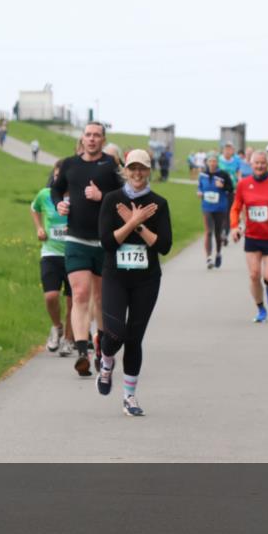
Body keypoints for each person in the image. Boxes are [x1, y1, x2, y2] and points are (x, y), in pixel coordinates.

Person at [96, 149, 172, 417]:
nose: (137, 173)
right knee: (114, 333)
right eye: (132, 168)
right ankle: (106, 364)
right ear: (125, 171)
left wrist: (138, 224)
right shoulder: (111, 200)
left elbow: (163, 246)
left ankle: (129, 396)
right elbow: (107, 242)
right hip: (116, 276)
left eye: (142, 168)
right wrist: (132, 222)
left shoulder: (159, 204)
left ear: (149, 170)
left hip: (146, 280)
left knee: (134, 338)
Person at [50, 121, 124, 376]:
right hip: (76, 240)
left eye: (97, 136)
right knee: (80, 294)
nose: (92, 139)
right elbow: (56, 190)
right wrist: (59, 204)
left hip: (104, 242)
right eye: (88, 135)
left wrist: (102, 196)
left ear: (103, 140)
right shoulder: (70, 165)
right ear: (82, 138)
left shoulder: (110, 166)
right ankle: (82, 352)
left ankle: (101, 349)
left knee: (101, 299)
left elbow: (123, 197)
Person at [229, 150, 268, 322]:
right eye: (256, 163)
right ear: (250, 164)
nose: (259, 166)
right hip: (252, 236)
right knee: (253, 275)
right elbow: (236, 207)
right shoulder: (244, 184)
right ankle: (260, 309)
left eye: (262, 163)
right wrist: (235, 227)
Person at [31, 165, 75, 356]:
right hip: (50, 253)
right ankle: (57, 327)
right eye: (57, 176)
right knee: (51, 296)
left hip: (74, 255)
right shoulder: (45, 195)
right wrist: (39, 228)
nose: (59, 179)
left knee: (73, 303)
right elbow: (33, 208)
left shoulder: (77, 197)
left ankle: (68, 339)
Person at [198, 153, 233, 269]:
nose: (212, 163)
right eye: (210, 161)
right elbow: (200, 187)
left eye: (214, 161)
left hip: (220, 207)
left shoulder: (223, 174)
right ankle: (208, 258)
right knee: (208, 232)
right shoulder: (202, 174)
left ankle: (218, 253)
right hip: (207, 207)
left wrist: (222, 186)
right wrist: (199, 192)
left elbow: (231, 188)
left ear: (217, 162)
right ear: (207, 162)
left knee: (218, 233)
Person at [217, 142, 241, 245]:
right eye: (226, 148)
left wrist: (239, 183)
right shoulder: (218, 160)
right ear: (223, 150)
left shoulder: (236, 160)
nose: (227, 151)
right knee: (220, 213)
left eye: (230, 149)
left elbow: (238, 173)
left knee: (228, 213)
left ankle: (224, 234)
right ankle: (220, 231)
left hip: (231, 190)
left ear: (232, 151)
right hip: (219, 191)